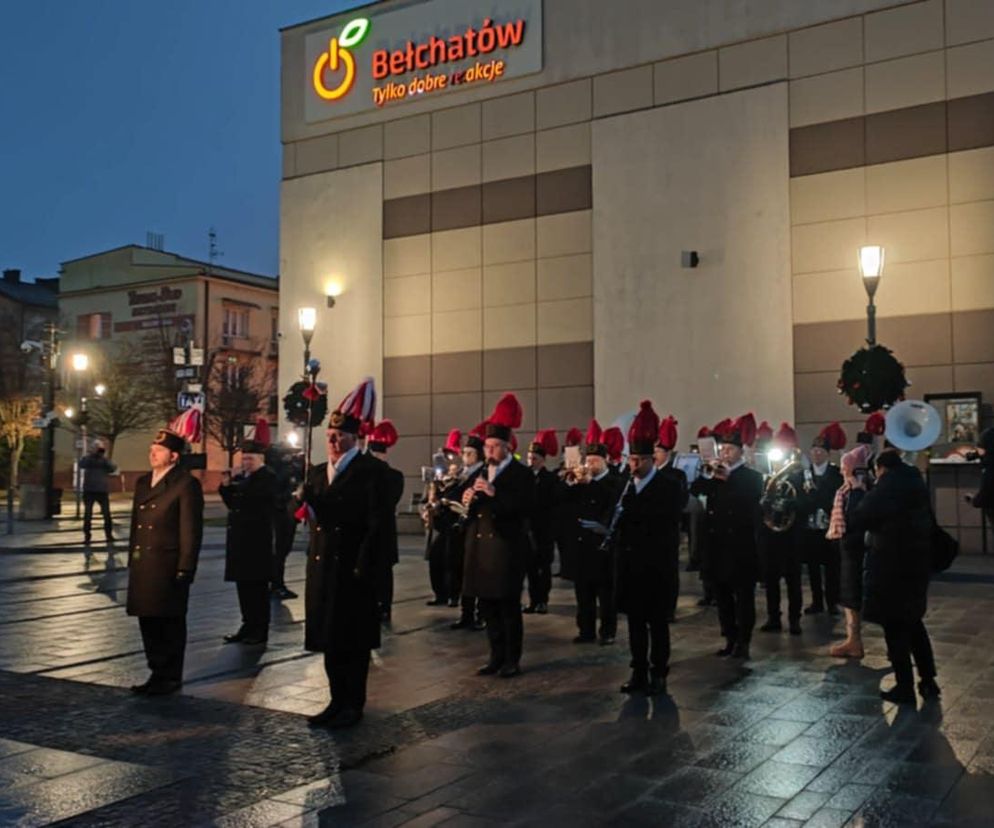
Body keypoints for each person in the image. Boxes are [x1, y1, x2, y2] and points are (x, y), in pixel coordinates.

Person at [301, 379, 388, 729]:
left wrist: (366, 567)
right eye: (330, 437)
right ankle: (336, 699)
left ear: (354, 439)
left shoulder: (372, 472)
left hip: (353, 568)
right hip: (323, 565)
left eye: (340, 437)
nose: (333, 442)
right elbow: (317, 514)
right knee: (329, 639)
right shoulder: (318, 472)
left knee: (353, 642)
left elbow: (374, 523)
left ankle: (354, 702)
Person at [849, 449, 939, 703]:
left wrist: (857, 491)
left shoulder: (887, 487)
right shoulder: (914, 483)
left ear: (881, 469)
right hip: (917, 563)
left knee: (895, 626)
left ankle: (904, 686)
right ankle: (928, 680)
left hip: (891, 566)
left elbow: (860, 517)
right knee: (914, 623)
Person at [614, 401, 684, 694]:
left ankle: (659, 672)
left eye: (639, 461)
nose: (633, 466)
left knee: (657, 624)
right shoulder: (626, 485)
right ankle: (638, 670)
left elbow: (664, 524)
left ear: (651, 460)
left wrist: (633, 510)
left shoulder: (668, 486)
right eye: (631, 461)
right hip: (631, 566)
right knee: (635, 624)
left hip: (656, 567)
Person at [126, 428, 204, 696]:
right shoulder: (143, 482)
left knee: (169, 621)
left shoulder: (185, 484)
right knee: (147, 619)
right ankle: (156, 672)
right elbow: (137, 525)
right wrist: (131, 559)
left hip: (167, 563)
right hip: (144, 562)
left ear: (173, 456)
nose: (152, 453)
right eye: (151, 448)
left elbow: (190, 529)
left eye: (158, 450)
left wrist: (186, 566)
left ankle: (170, 675)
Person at [461, 393, 533, 678]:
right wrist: (466, 497)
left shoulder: (521, 475)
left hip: (506, 549)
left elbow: (525, 508)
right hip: (479, 550)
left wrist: (494, 493)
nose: (488, 451)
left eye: (494, 447)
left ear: (506, 447)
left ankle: (511, 659)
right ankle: (495, 655)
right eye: (487, 446)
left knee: (507, 607)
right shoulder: (479, 471)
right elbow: (462, 502)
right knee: (487, 606)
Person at [692, 414, 764, 659]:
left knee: (743, 596)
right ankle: (729, 637)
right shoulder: (714, 474)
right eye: (723, 448)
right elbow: (696, 490)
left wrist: (728, 480)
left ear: (740, 451)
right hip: (716, 544)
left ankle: (743, 640)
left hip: (740, 546)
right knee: (721, 596)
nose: (725, 453)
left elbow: (750, 502)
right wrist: (708, 475)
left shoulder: (751, 477)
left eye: (730, 449)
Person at [564, 423, 621, 644]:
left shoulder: (614, 482)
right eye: (588, 461)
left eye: (596, 461)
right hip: (582, 544)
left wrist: (591, 483)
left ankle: (608, 631)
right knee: (583, 593)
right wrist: (570, 483)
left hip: (602, 544)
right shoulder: (580, 481)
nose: (591, 464)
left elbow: (611, 499)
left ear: (606, 460)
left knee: (605, 594)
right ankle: (585, 629)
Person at [219, 440, 278, 646]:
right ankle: (247, 624)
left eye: (250, 458)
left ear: (260, 459)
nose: (245, 462)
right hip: (240, 543)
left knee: (257, 589)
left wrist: (238, 485)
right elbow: (233, 505)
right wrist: (226, 487)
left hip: (256, 543)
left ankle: (259, 629)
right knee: (243, 587)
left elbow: (255, 501)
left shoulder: (267, 478)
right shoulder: (246, 479)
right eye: (243, 458)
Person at [826, 442, 874, 658]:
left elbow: (856, 517)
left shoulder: (859, 490)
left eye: (845, 468)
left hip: (856, 550)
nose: (842, 471)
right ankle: (852, 639)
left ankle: (854, 641)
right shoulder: (849, 489)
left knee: (854, 596)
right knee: (849, 596)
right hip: (848, 549)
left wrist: (855, 491)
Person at [758, 422, 803, 635]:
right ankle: (773, 617)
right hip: (770, 536)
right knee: (771, 578)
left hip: (791, 536)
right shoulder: (765, 479)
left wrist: (789, 504)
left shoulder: (798, 478)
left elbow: (806, 503)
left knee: (793, 581)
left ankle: (795, 619)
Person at [796, 424, 845, 615]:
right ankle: (817, 601)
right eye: (814, 450)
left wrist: (819, 500)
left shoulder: (836, 474)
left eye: (820, 450)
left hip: (828, 525)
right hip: (809, 527)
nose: (816, 454)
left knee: (832, 566)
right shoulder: (803, 475)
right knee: (813, 567)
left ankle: (832, 601)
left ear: (827, 453)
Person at [367, 420, 405, 624]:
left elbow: (388, 500)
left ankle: (384, 606)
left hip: (383, 533)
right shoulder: (363, 475)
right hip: (365, 532)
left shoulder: (393, 476)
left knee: (383, 573)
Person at [653, 415, 688, 622]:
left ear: (667, 453)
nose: (654, 454)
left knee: (669, 571)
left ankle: (669, 608)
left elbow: (680, 502)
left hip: (668, 530)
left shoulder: (676, 475)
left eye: (658, 451)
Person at [523, 429, 558, 615]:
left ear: (542, 460)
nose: (531, 461)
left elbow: (552, 504)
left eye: (534, 458)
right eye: (529, 458)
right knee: (530, 568)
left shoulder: (550, 479)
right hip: (528, 530)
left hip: (544, 530)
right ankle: (532, 600)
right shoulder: (524, 477)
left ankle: (543, 600)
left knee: (543, 568)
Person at [267, 442, 303, 600]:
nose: (290, 457)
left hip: (289, 515)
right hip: (278, 516)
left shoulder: (290, 469)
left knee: (283, 551)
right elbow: (276, 492)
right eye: (286, 454)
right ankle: (276, 584)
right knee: (278, 552)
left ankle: (276, 583)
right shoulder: (273, 471)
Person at [79, 442, 117, 544]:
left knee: (106, 514)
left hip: (101, 490)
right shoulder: (88, 460)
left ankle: (108, 535)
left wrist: (102, 457)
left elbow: (113, 468)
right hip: (90, 490)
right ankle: (87, 536)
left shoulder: (104, 460)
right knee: (88, 514)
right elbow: (81, 464)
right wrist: (91, 454)